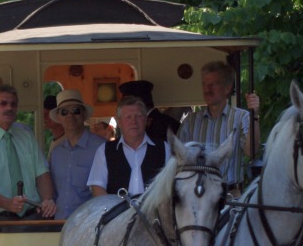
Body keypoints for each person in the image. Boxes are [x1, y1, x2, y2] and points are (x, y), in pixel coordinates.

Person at [0, 84, 56, 218]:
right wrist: (8, 204)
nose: (9, 108)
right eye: (3, 104)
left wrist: (48, 200)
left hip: (33, 216)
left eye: (13, 104)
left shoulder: (26, 136)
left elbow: (42, 173)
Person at [178, 61, 261, 196]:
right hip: (197, 198)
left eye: (213, 84)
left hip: (229, 196)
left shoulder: (242, 117)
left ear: (227, 88)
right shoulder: (190, 122)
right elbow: (178, 160)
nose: (207, 89)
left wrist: (255, 116)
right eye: (204, 84)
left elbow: (251, 151)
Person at [87, 96, 170, 197]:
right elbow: (98, 188)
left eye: (138, 116)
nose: (133, 121)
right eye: (128, 117)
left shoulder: (164, 149)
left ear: (146, 120)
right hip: (117, 212)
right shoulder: (104, 150)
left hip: (154, 212)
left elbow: (172, 187)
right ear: (119, 122)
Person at [48, 89, 105, 220]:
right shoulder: (56, 153)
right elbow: (54, 193)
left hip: (90, 225)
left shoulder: (101, 147)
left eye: (76, 110)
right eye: (64, 112)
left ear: (84, 114)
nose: (70, 116)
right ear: (58, 117)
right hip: (59, 224)